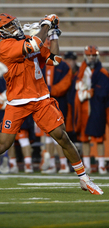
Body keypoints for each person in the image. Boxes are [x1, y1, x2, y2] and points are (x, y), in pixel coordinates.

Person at [0, 13, 103, 195]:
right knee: (2, 145)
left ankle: (84, 178)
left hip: (40, 98)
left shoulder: (27, 39)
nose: (14, 27)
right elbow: (33, 45)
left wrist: (54, 34)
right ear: (0, 33)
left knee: (62, 135)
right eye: (9, 26)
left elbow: (54, 59)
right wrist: (46, 25)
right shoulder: (6, 46)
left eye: (13, 24)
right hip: (17, 101)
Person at [74, 45, 109, 174]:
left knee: (99, 137)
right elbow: (78, 86)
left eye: (93, 55)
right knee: (84, 138)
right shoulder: (82, 70)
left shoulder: (102, 72)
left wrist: (91, 92)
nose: (91, 57)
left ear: (97, 56)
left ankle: (101, 165)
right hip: (84, 108)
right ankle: (87, 166)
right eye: (89, 55)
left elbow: (104, 91)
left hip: (97, 108)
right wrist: (86, 92)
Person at [40, 38, 72, 174]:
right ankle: (52, 164)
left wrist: (48, 90)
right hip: (43, 102)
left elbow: (65, 84)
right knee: (48, 135)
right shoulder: (39, 64)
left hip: (58, 101)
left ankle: (63, 164)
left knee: (59, 133)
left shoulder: (63, 66)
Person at [0, 77, 35, 174]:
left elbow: (26, 90)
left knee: (23, 139)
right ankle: (12, 164)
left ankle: (28, 165)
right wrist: (3, 103)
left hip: (20, 109)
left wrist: (8, 96)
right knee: (8, 140)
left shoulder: (19, 74)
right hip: (7, 112)